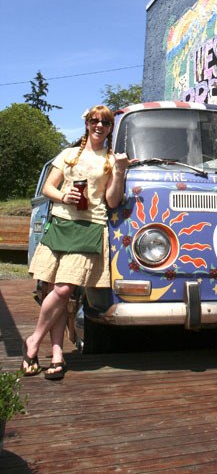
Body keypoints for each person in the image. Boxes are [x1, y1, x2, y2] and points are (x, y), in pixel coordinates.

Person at [21, 105, 134, 380]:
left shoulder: (110, 160)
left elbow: (112, 201)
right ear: (87, 123)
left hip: (90, 226)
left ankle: (33, 341)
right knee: (58, 295)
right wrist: (63, 196)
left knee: (63, 290)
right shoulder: (69, 155)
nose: (99, 126)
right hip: (61, 223)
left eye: (105, 123)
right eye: (94, 121)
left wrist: (119, 171)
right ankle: (58, 355)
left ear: (110, 128)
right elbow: (49, 187)